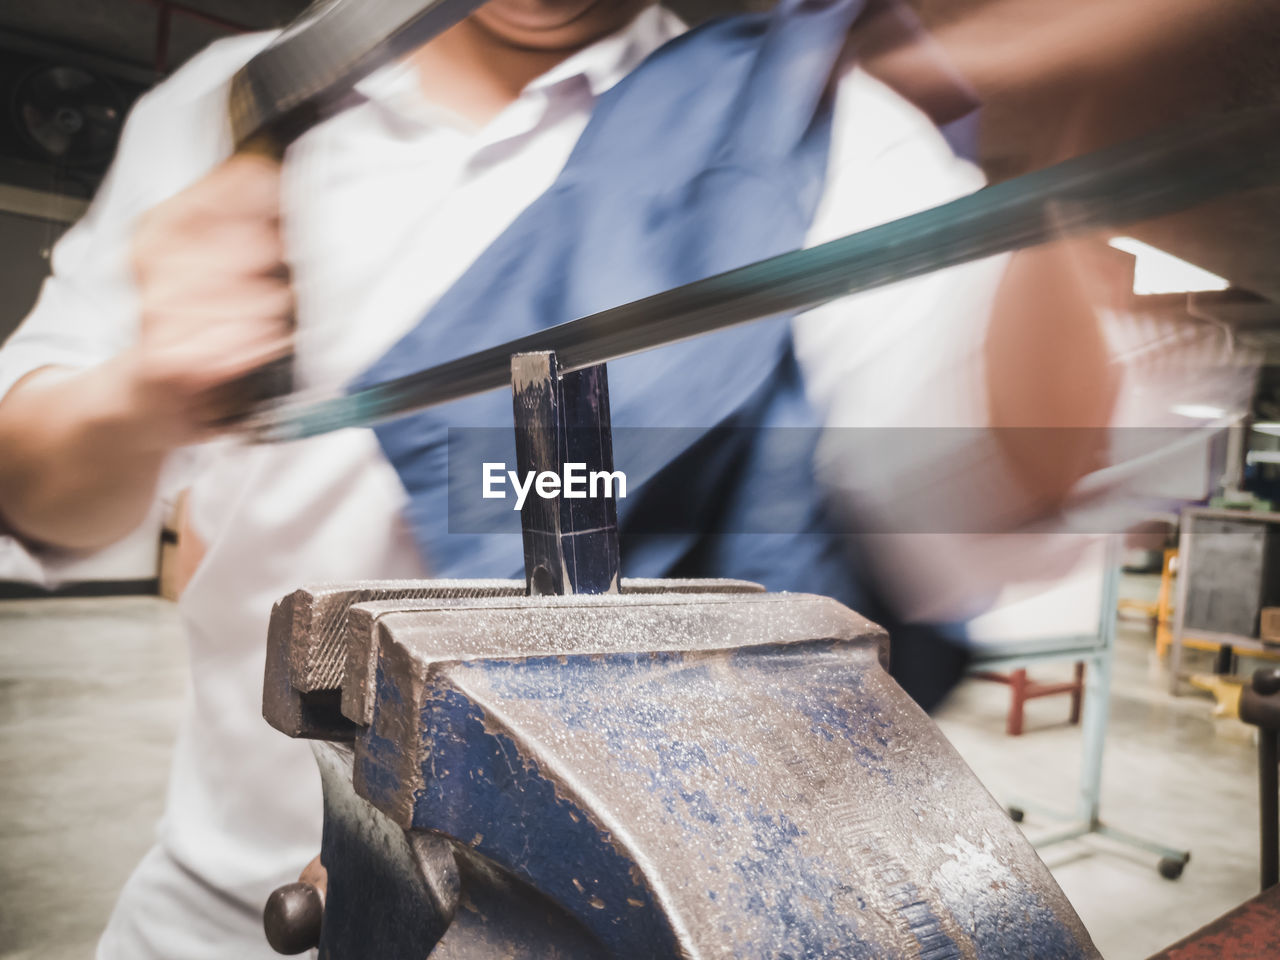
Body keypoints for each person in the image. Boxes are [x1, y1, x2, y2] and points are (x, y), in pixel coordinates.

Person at [0, 0, 1115, 955]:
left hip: (596, 925)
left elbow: (982, 494)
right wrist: (143, 391)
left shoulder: (807, 124)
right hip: (217, 909)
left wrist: (1048, 153)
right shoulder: (234, 103)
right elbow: (38, 495)